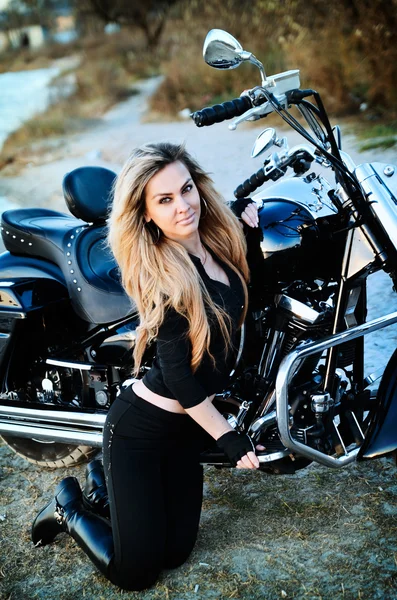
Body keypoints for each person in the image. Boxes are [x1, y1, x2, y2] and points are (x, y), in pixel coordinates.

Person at [31, 142, 260, 591]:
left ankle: (101, 484)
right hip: (139, 432)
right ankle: (69, 506)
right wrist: (228, 435)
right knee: (136, 573)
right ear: (147, 214)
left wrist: (248, 232)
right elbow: (177, 377)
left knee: (175, 553)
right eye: (165, 200)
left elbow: (250, 301)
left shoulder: (219, 249)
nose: (183, 206)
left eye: (187, 189)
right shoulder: (166, 278)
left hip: (182, 436)